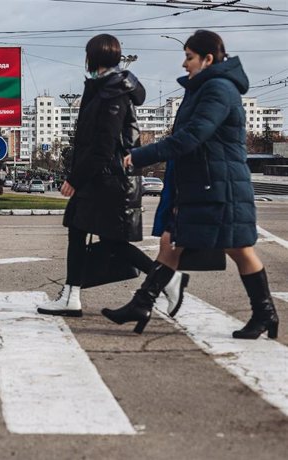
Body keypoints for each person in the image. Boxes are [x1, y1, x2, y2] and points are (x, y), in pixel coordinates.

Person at [102, 30, 279, 339]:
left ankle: (265, 313)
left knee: (239, 248)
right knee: (171, 241)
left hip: (220, 186)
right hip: (204, 184)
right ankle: (142, 303)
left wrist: (139, 155)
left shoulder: (219, 89)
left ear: (207, 59)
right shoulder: (204, 89)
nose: (184, 64)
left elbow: (191, 137)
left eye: (189, 57)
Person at [38, 34, 188, 318]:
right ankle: (72, 296)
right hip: (103, 178)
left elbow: (104, 145)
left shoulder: (113, 92)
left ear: (93, 58)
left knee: (110, 243)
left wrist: (75, 178)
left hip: (109, 180)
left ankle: (166, 279)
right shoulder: (103, 88)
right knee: (81, 233)